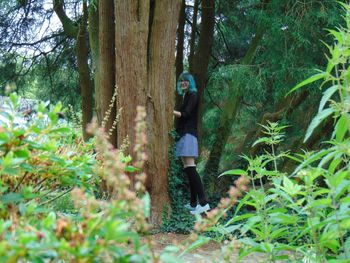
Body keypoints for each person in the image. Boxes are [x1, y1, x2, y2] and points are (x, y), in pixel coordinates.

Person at [173, 72, 210, 215]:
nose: (183, 83)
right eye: (181, 81)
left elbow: (186, 114)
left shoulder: (193, 95)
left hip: (189, 134)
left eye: (186, 81)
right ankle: (194, 203)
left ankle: (204, 203)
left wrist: (169, 111)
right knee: (188, 169)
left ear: (191, 83)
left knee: (191, 168)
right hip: (184, 134)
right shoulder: (186, 96)